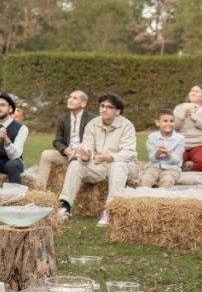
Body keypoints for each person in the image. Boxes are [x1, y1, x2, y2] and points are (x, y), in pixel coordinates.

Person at [58, 92, 138, 227]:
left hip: (125, 166)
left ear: (117, 111)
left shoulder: (127, 125)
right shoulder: (92, 124)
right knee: (75, 164)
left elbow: (128, 152)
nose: (104, 109)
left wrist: (111, 157)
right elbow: (87, 148)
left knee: (117, 165)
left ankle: (109, 211)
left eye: (109, 107)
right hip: (100, 165)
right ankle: (65, 207)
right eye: (102, 106)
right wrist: (85, 158)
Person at [35, 90, 94, 190]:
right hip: (67, 155)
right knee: (46, 154)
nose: (70, 100)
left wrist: (78, 151)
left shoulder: (92, 119)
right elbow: (57, 141)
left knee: (78, 163)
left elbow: (93, 141)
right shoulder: (62, 119)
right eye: (69, 97)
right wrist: (66, 150)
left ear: (83, 103)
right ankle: (40, 191)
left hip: (83, 156)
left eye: (74, 98)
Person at [141, 108, 185, 189]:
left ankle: (162, 199)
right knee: (145, 179)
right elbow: (152, 158)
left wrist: (168, 154)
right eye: (165, 121)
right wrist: (158, 152)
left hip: (171, 169)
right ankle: (145, 199)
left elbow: (177, 160)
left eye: (171, 121)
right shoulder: (152, 138)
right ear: (157, 122)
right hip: (154, 167)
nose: (169, 123)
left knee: (167, 181)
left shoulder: (180, 139)